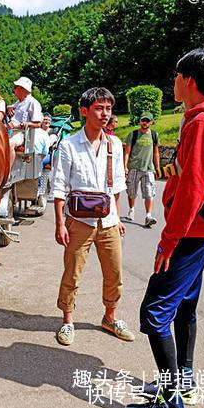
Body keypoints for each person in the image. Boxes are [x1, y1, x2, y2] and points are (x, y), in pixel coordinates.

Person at [131, 48, 204, 408]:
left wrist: (168, 241)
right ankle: (182, 380)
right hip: (202, 234)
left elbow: (193, 190)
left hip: (189, 234)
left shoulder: (201, 123)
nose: (174, 82)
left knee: (154, 312)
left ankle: (170, 400)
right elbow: (189, 174)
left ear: (190, 81)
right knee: (184, 306)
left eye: (177, 76)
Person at [51, 87, 134, 346]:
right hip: (79, 221)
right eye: (99, 108)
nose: (105, 114)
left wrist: (118, 218)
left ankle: (110, 317)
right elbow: (59, 186)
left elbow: (117, 185)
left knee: (114, 273)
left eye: (108, 109)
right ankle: (67, 321)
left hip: (108, 222)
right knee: (73, 273)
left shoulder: (115, 145)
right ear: (84, 111)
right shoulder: (69, 145)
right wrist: (59, 224)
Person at [123, 112, 161, 227]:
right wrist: (125, 166)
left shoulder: (154, 135)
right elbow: (127, 152)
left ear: (151, 122)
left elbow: (156, 152)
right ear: (140, 121)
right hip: (134, 167)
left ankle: (148, 215)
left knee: (149, 193)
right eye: (143, 120)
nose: (145, 122)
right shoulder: (133, 134)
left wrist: (158, 167)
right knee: (131, 192)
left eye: (147, 121)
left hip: (148, 168)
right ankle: (131, 209)